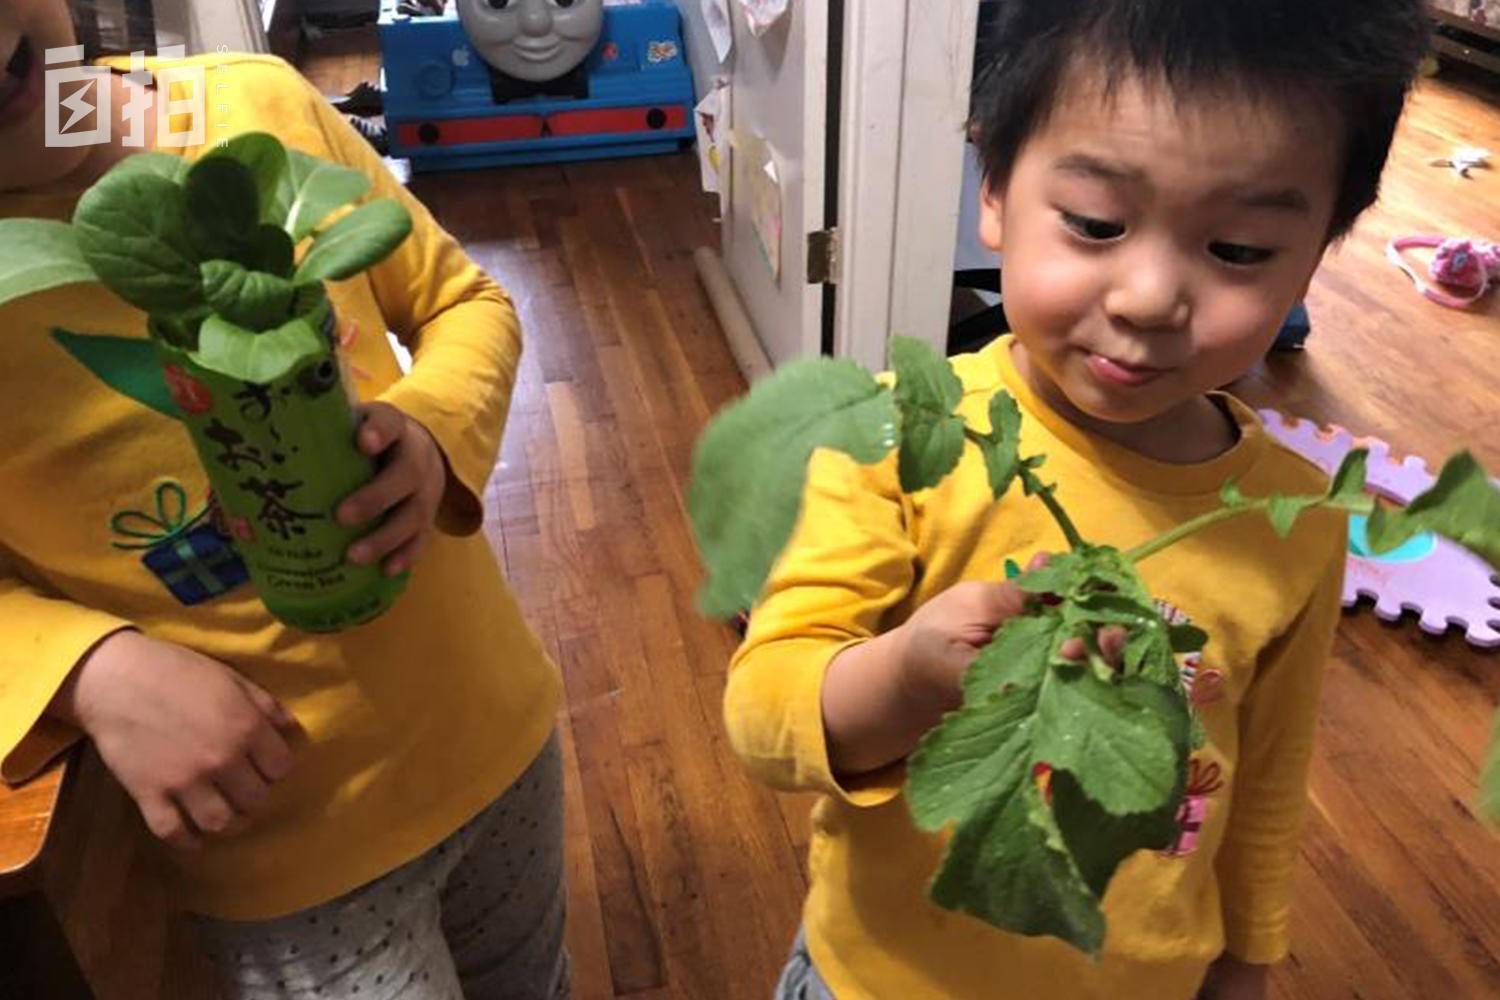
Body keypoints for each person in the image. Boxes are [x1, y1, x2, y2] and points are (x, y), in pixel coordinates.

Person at [723, 2, 1429, 998]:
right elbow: (764, 712)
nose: (1149, 297)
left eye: (1237, 250)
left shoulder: (1293, 520)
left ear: (1316, 256)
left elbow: (1269, 768)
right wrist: (908, 679)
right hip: (882, 975)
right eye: (1096, 225)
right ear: (997, 190)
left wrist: (1249, 958)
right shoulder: (899, 441)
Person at [0, 2, 568, 997]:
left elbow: (461, 301)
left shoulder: (256, 108)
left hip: (491, 730)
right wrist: (86, 667)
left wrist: (434, 423)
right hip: (287, 855)